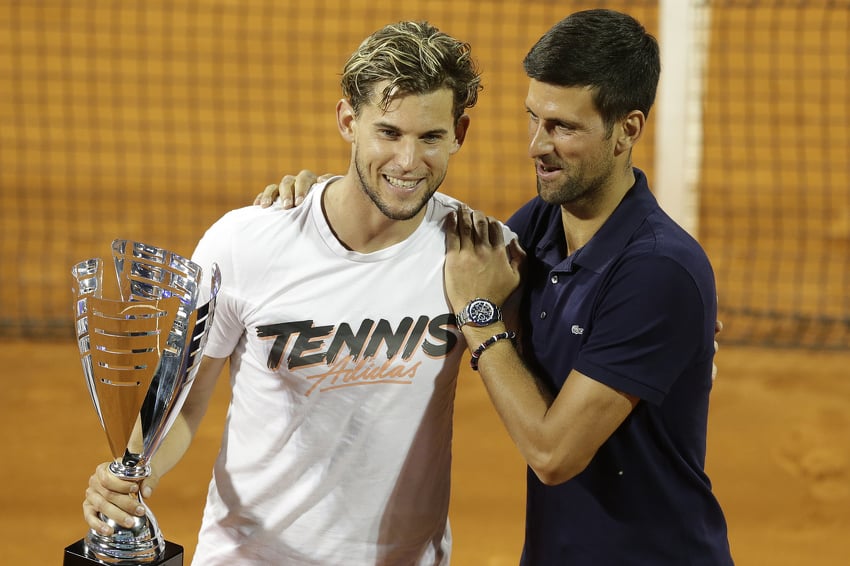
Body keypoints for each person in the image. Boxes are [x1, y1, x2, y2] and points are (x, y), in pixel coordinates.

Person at [260, 9, 733, 566]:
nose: (537, 145)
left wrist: (482, 317)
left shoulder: (658, 271)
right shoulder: (537, 228)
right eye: (533, 118)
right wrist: (326, 200)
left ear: (627, 130)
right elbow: (408, 249)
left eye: (563, 127)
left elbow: (553, 453)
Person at [82, 20, 515, 565]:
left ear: (460, 133)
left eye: (430, 137)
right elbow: (184, 404)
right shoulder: (248, 241)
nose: (408, 161)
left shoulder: (480, 255)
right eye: (388, 133)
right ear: (347, 120)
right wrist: (132, 473)